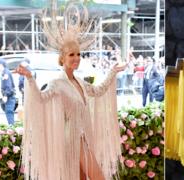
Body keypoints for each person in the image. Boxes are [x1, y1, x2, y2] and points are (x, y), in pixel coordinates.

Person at [16, 3, 126, 180]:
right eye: (71, 55)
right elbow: (40, 98)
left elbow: (99, 91)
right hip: (72, 140)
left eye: (78, 54)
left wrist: (113, 71)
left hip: (84, 138)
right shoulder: (57, 83)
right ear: (62, 57)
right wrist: (29, 78)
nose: (76, 58)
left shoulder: (80, 82)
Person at [0, 59, 16, 125]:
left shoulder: (6, 73)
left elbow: (8, 86)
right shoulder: (5, 72)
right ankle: (12, 126)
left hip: (9, 96)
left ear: (1, 65)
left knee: (9, 112)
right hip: (9, 95)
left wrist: (5, 95)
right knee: (9, 112)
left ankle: (12, 127)